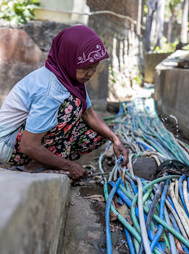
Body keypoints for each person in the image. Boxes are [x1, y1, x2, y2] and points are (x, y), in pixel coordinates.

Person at [0, 25, 129, 180]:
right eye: (86, 68)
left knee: (97, 134)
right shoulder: (50, 91)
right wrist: (69, 165)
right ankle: (33, 165)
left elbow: (89, 113)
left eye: (94, 67)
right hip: (9, 144)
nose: (91, 73)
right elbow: (28, 145)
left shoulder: (69, 80)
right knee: (71, 106)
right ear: (68, 59)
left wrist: (115, 140)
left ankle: (43, 162)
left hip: (26, 140)